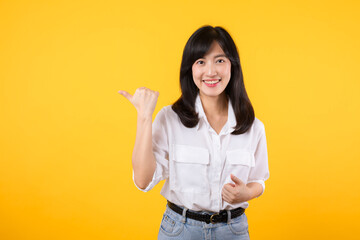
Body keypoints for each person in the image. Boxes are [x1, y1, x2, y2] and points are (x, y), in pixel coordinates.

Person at [119, 25, 269, 240]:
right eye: (200, 62)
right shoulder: (170, 118)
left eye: (220, 60)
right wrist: (144, 117)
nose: (210, 71)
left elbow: (259, 181)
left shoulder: (253, 127)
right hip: (180, 230)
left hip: (233, 231)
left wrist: (247, 193)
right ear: (190, 69)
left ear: (232, 66)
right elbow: (143, 180)